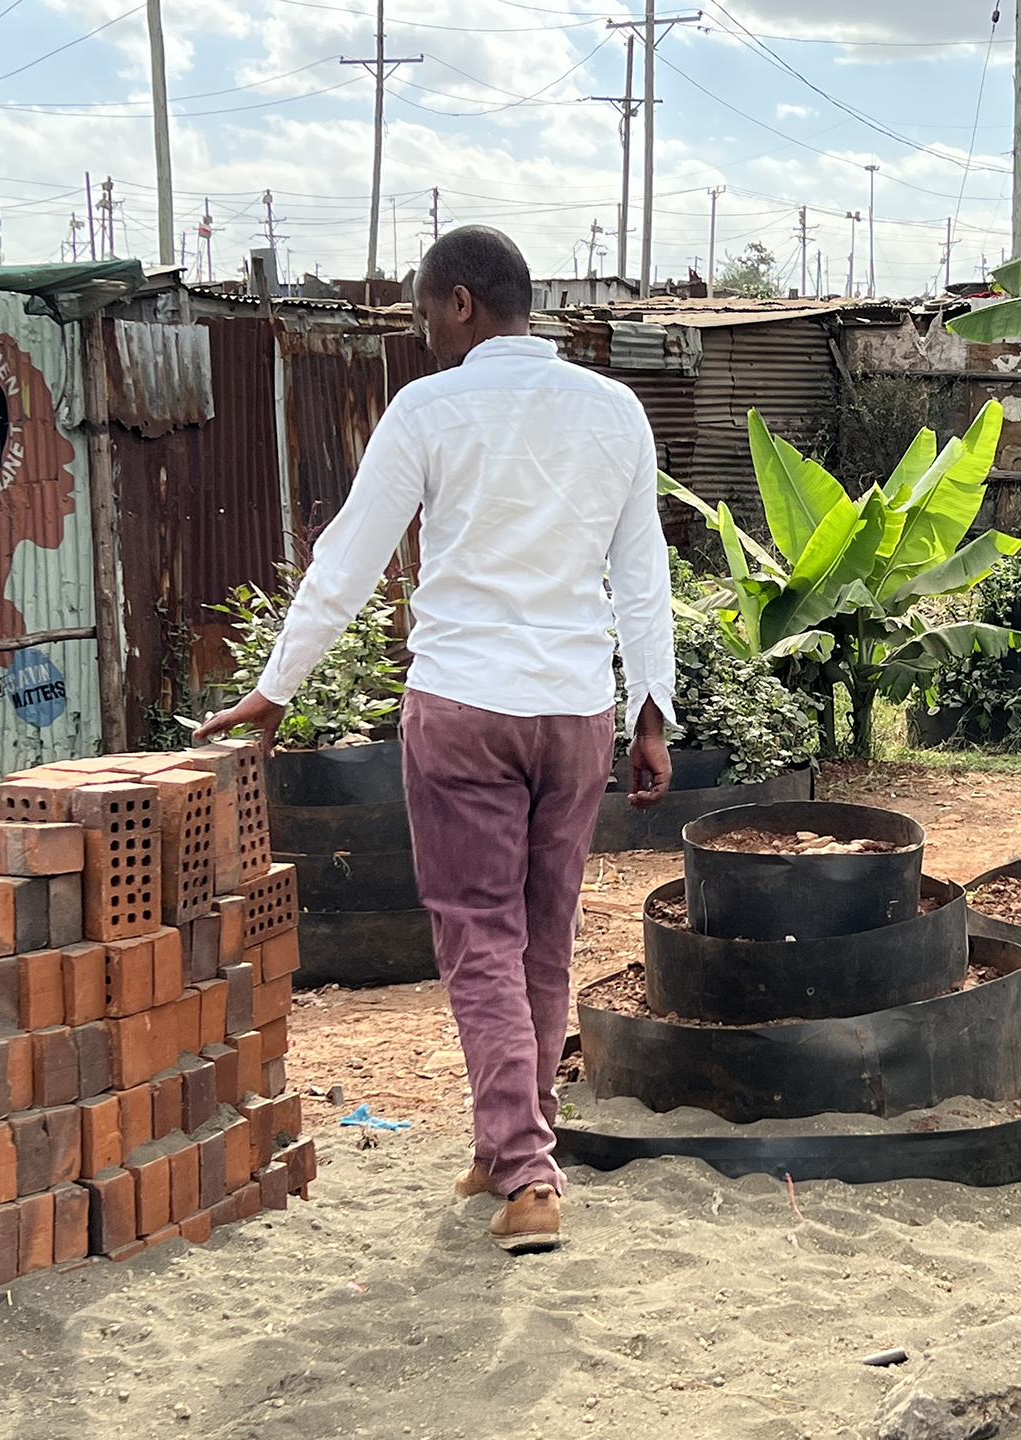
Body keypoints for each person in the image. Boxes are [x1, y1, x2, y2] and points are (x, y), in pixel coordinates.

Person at [196, 225, 675, 1254]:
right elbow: (643, 575)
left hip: (465, 707)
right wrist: (652, 710)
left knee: (476, 938)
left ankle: (527, 1172)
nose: (423, 333)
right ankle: (509, 1143)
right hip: (576, 712)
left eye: (423, 312)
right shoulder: (615, 410)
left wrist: (275, 691)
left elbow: (348, 562)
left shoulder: (430, 408)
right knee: (541, 942)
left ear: (461, 302)